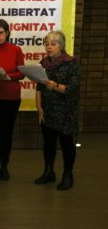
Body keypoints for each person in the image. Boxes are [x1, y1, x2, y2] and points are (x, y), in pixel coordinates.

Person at [35, 31, 79, 190]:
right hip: (48, 111)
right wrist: (39, 107)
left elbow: (73, 89)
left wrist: (55, 86)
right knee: (48, 144)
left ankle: (68, 174)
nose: (49, 47)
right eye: (46, 44)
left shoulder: (71, 63)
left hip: (66, 112)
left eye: (53, 44)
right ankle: (49, 171)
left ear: (61, 46)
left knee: (67, 144)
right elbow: (39, 87)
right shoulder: (44, 63)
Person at [0, 19, 25, 181]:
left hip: (11, 98)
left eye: (1, 32)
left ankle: (5, 166)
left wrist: (7, 76)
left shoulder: (16, 50)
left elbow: (21, 73)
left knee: (7, 133)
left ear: (7, 33)